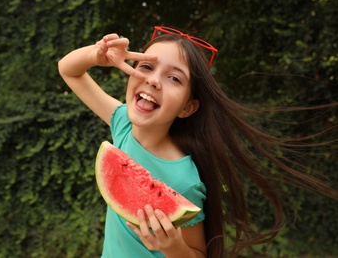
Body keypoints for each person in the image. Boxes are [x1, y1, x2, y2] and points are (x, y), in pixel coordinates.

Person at [58, 26, 337, 257]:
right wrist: (98, 55)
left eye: (174, 78)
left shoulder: (184, 180)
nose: (154, 81)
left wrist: (174, 247)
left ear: (187, 108)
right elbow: (68, 69)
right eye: (146, 66)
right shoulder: (122, 123)